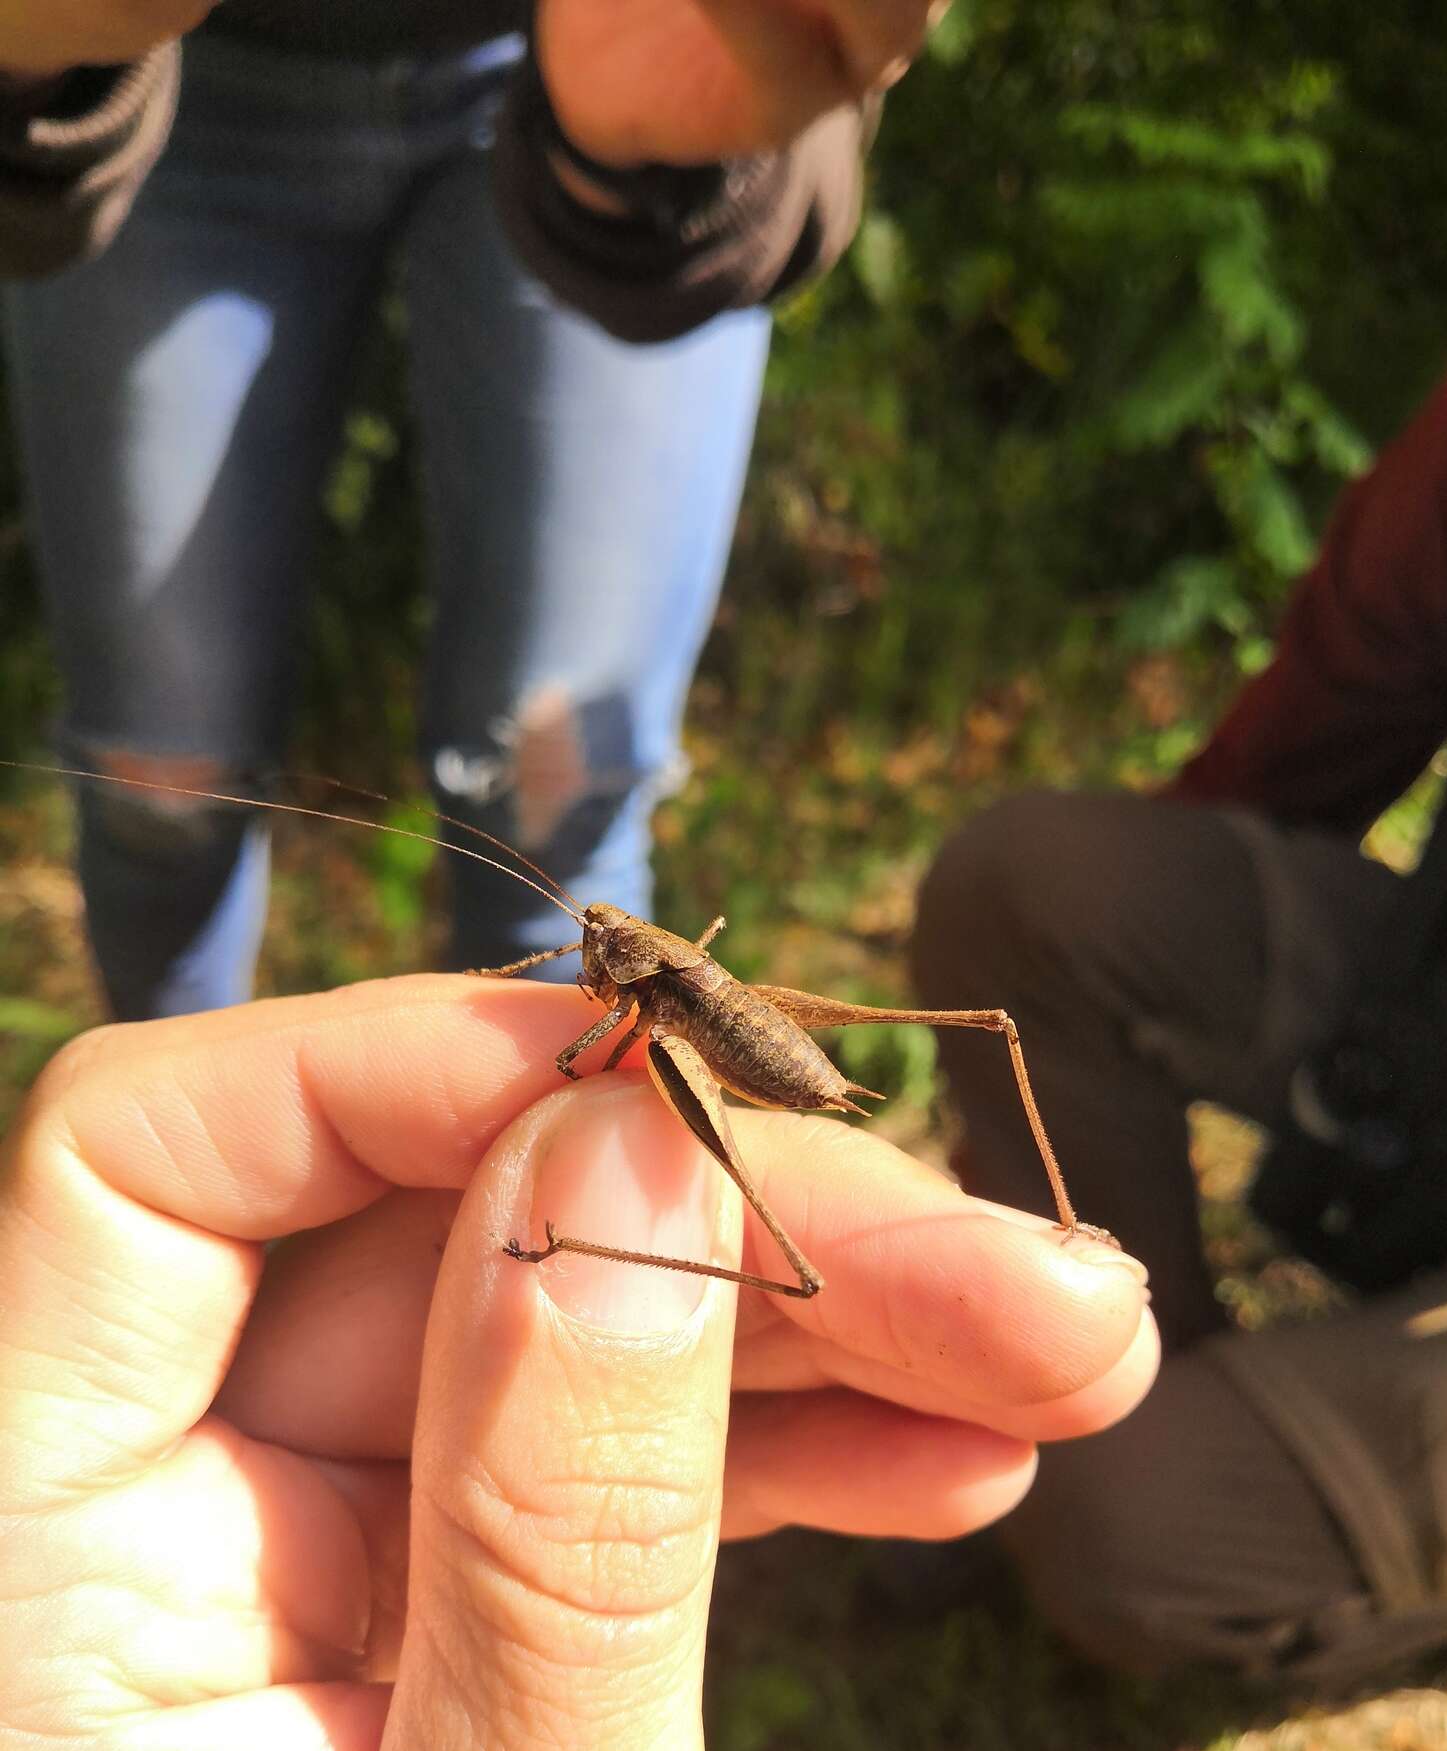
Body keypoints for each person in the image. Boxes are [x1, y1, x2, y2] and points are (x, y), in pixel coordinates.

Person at [0, 972, 1156, 1751]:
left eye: (605, 955)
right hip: (714, 1011)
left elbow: (579, 1061)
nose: (589, 964)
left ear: (637, 968)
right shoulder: (632, 983)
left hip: (748, 1037)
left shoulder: (649, 999)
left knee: (959, 1048)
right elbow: (585, 1043)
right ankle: (1054, 1237)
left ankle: (1048, 1221)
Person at [0, 0, 898, 1019]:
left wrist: (687, 123)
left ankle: (571, 1167)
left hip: (613, 51)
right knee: (158, 780)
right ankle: (167, 1153)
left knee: (560, 793)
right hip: (159, 66)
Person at [913, 322, 1447, 1685]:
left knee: (1120, 1524)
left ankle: (1307, 1520)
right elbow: (1299, 753)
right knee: (1033, 892)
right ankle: (1109, 1365)